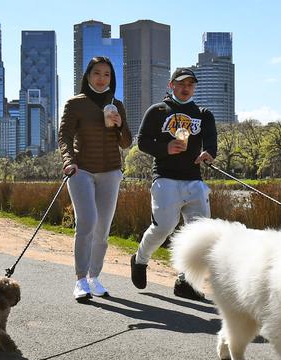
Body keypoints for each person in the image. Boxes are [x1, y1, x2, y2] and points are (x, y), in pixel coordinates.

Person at [130, 68, 217, 301]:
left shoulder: (203, 114)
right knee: (163, 227)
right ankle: (139, 260)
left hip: (194, 180)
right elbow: (142, 142)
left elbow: (211, 142)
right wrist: (165, 148)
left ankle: (186, 282)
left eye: (190, 84)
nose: (186, 88)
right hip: (165, 178)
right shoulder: (158, 111)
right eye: (181, 83)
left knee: (200, 234)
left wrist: (209, 153)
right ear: (171, 86)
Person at [59, 56, 132, 301]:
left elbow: (126, 143)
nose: (102, 79)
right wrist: (69, 161)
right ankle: (80, 279)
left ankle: (94, 277)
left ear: (112, 79)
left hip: (111, 171)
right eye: (97, 73)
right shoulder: (75, 104)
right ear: (88, 76)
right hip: (81, 170)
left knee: (102, 229)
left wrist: (120, 124)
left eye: (107, 75)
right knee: (87, 221)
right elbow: (64, 137)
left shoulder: (117, 105)